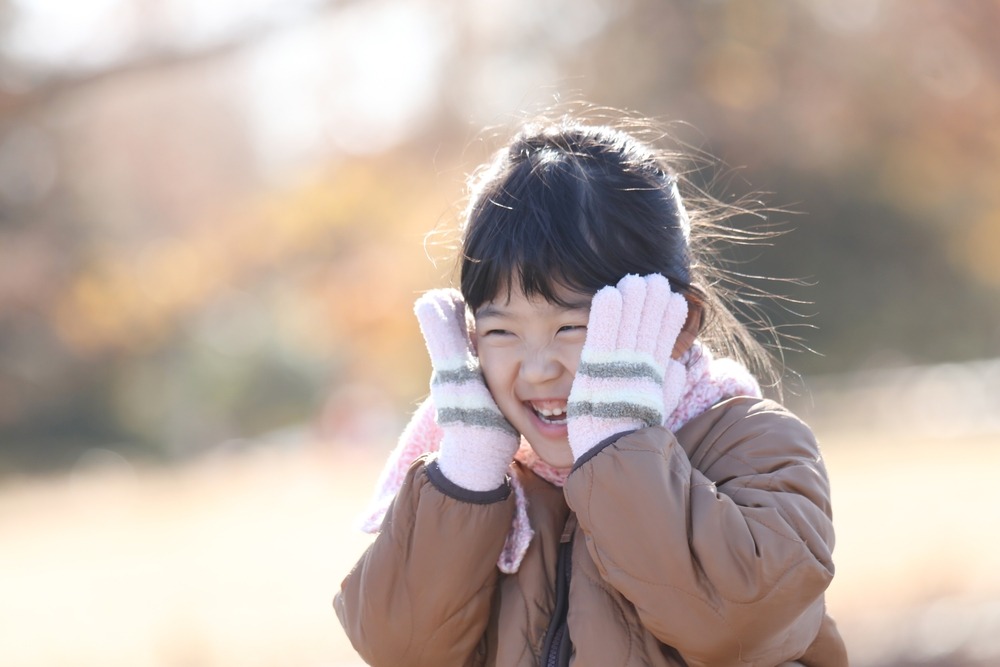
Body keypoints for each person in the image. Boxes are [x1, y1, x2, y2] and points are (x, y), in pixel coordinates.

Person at [333, 114, 847, 666]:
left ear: (676, 324)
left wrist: (617, 446)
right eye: (501, 330)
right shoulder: (497, 483)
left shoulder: (753, 445)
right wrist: (466, 478)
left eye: (570, 328)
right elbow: (399, 648)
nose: (536, 370)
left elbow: (740, 622)